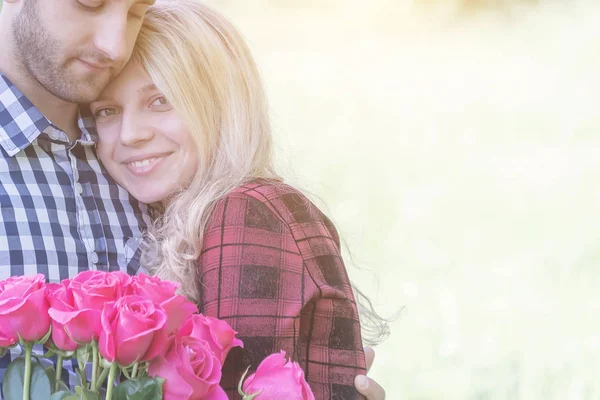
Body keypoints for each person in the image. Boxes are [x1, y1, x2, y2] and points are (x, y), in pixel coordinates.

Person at [0, 0, 385, 397]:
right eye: (108, 110)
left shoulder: (246, 213)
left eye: (160, 100)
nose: (116, 46)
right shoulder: (165, 198)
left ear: (219, 103)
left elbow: (248, 389)